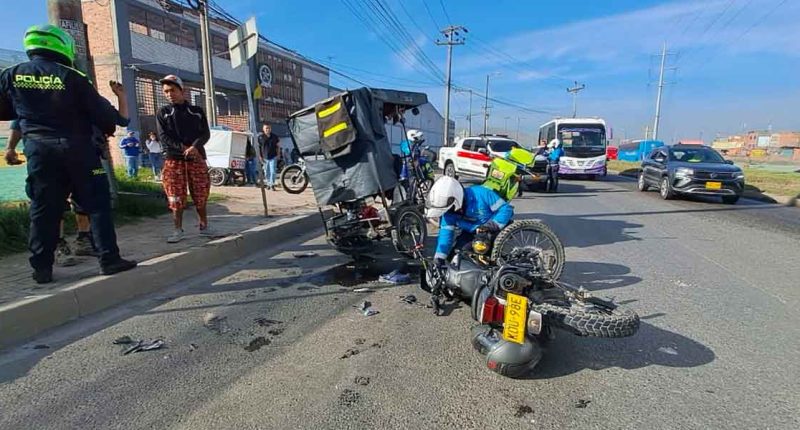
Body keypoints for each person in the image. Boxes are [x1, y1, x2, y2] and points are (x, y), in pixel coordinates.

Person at [0, 24, 136, 283]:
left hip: (39, 150)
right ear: (61, 45)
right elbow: (110, 118)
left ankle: (41, 268)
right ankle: (109, 259)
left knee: (43, 209)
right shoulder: (73, 77)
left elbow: (6, 112)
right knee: (97, 205)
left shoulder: (10, 75)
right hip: (78, 149)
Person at [155, 74, 213, 243]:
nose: (169, 94)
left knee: (201, 193)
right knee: (175, 196)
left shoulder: (196, 111)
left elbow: (205, 133)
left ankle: (204, 226)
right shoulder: (163, 113)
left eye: (172, 90)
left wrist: (195, 147)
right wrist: (183, 148)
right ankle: (177, 229)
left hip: (196, 158)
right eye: (166, 91)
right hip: (174, 159)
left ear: (182, 90)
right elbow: (163, 136)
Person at [425, 176, 513, 265]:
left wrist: (491, 226)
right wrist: (439, 259)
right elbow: (445, 236)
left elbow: (506, 209)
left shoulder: (481, 193)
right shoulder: (448, 213)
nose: (448, 211)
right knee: (456, 257)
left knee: (483, 257)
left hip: (494, 229)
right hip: (472, 232)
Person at [258, 123, 280, 190]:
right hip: (264, 157)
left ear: (271, 128)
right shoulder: (260, 137)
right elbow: (258, 148)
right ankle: (268, 183)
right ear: (263, 129)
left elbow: (278, 146)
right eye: (266, 128)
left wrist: (278, 154)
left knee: (273, 171)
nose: (268, 129)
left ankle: (272, 184)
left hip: (273, 156)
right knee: (266, 172)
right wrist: (260, 157)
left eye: (269, 128)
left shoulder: (275, 137)